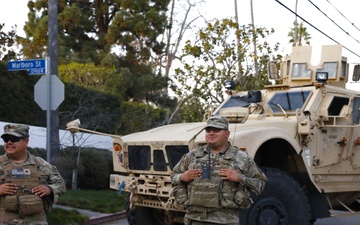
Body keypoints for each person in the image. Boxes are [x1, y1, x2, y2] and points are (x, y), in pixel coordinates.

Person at [171, 115, 267, 225]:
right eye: (208, 130)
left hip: (226, 221)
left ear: (227, 134)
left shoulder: (241, 158)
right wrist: (182, 177)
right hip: (194, 219)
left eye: (216, 130)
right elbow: (174, 176)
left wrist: (240, 178)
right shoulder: (192, 155)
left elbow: (260, 184)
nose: (211, 133)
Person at [0, 123, 66, 225]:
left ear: (26, 141)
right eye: (6, 139)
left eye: (14, 139)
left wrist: (49, 189)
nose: (9, 142)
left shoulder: (41, 164)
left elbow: (61, 185)